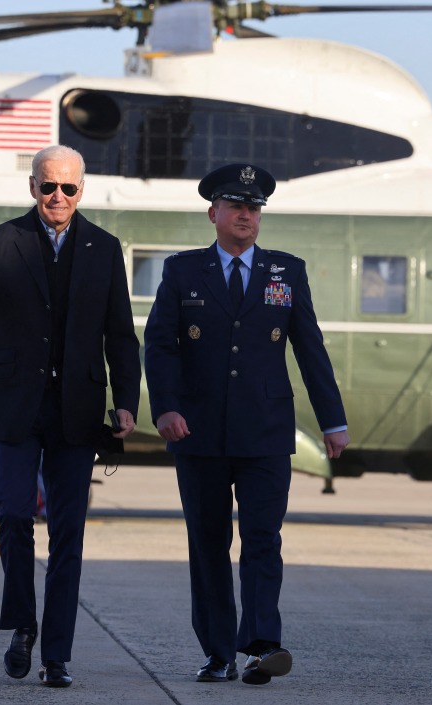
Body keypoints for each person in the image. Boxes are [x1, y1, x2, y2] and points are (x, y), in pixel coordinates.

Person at [0, 145, 141, 688]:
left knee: (69, 532)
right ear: (33, 187)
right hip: (16, 405)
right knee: (13, 515)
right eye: (48, 187)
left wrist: (126, 401)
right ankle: (22, 624)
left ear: (81, 191)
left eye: (68, 188)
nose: (57, 196)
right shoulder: (3, 240)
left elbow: (120, 334)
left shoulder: (104, 249)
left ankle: (56, 654)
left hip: (78, 411)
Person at [143, 163, 350, 686]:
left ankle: (260, 647)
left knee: (263, 538)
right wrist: (165, 408)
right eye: (235, 206)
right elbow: (160, 346)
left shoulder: (286, 272)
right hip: (198, 433)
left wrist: (333, 421)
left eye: (253, 208)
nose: (246, 215)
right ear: (213, 213)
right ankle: (219, 654)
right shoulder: (183, 271)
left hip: (265, 432)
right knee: (208, 544)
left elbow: (311, 349)